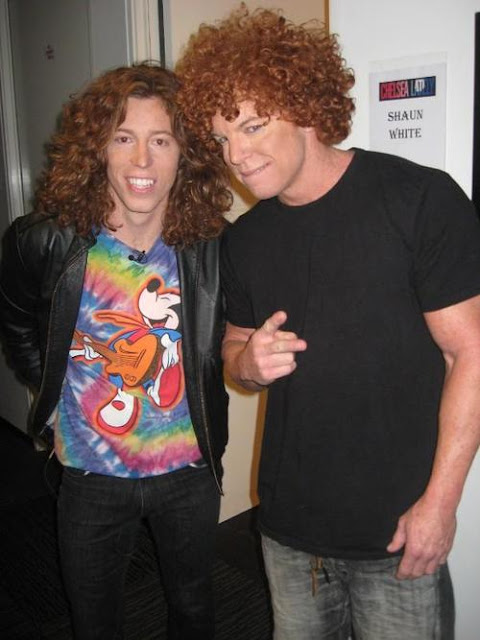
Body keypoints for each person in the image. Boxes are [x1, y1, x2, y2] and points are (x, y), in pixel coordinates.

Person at [176, 6, 480, 639]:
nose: (237, 156)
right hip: (289, 529)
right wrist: (247, 363)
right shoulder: (246, 240)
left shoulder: (419, 200)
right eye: (222, 138)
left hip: (398, 531)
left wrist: (441, 505)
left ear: (306, 107)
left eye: (252, 126)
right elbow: (234, 350)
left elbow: (469, 353)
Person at [0, 63, 232, 640]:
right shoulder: (45, 240)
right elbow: (16, 324)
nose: (142, 161)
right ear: (98, 149)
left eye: (161, 141)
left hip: (188, 470)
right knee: (94, 621)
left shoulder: (214, 248)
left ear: (185, 155)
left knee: (195, 611)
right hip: (91, 472)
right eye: (123, 138)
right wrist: (52, 411)